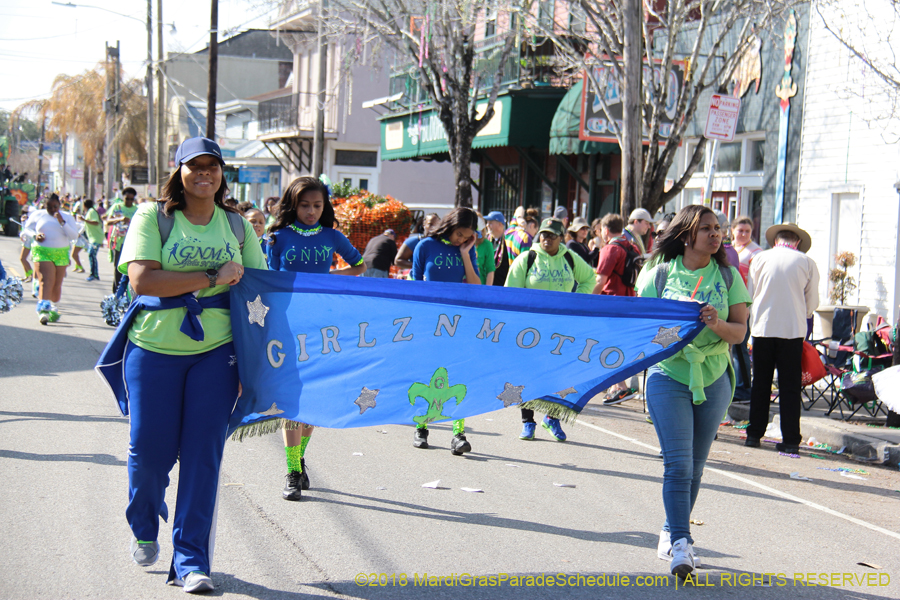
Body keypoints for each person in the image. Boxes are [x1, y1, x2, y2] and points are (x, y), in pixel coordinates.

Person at [107, 137, 265, 593]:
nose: (204, 174)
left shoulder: (236, 226)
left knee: (203, 458)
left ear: (222, 173)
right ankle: (143, 522)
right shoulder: (152, 217)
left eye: (212, 166)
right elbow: (142, 280)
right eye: (194, 166)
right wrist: (213, 276)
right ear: (177, 171)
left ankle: (191, 561)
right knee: (149, 453)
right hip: (153, 349)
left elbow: (259, 288)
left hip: (219, 352)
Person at [637, 205, 751, 578]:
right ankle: (682, 545)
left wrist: (715, 322)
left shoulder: (728, 275)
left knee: (697, 467)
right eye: (706, 229)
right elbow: (640, 328)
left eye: (718, 228)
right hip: (668, 374)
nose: (716, 234)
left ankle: (671, 530)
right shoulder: (658, 275)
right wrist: (674, 322)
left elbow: (739, 334)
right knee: (679, 464)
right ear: (686, 235)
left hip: (715, 376)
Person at [267, 176, 366, 501]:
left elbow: (359, 266)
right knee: (292, 400)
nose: (311, 211)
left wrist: (326, 280)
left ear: (325, 207)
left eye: (317, 205)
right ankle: (293, 471)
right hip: (287, 325)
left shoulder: (332, 236)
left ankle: (299, 460)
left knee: (315, 400)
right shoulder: (276, 237)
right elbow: (266, 279)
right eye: (305, 205)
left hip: (325, 328)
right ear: (293, 205)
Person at [505, 218, 595, 441]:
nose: (546, 239)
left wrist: (574, 302)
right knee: (529, 373)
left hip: (561, 327)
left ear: (562, 237)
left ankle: (552, 418)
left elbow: (589, 279)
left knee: (559, 373)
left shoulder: (569, 257)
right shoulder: (527, 258)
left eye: (552, 235)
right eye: (543, 234)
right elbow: (510, 292)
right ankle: (528, 422)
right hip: (531, 328)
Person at [745, 223, 819, 454]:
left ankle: (754, 434)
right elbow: (813, 301)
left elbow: (750, 295)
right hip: (791, 329)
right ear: (797, 242)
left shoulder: (759, 259)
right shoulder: (806, 262)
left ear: (775, 240)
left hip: (763, 327)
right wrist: (802, 313)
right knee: (789, 386)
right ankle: (790, 440)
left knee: (760, 384)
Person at [411, 207, 480, 455]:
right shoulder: (425, 245)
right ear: (450, 225)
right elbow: (414, 284)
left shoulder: (466, 249)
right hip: (428, 321)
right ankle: (421, 427)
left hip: (458, 321)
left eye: (466, 236)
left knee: (459, 373)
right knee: (427, 371)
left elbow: (475, 286)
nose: (461, 239)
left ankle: (458, 433)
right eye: (459, 234)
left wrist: (464, 254)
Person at [593, 213, 642, 405]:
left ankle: (621, 386)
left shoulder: (610, 249)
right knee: (618, 343)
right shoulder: (633, 246)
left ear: (605, 230)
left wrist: (589, 301)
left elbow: (601, 280)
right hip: (629, 301)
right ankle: (615, 386)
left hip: (611, 303)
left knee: (608, 345)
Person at [23, 194, 79, 324]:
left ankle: (52, 305)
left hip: (61, 253)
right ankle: (43, 310)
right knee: (46, 280)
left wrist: (62, 223)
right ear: (44, 205)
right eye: (49, 207)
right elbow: (26, 229)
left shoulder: (67, 217)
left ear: (59, 205)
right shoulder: (38, 215)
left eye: (55, 206)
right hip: (42, 251)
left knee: (56, 285)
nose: (52, 209)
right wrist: (35, 235)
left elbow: (74, 236)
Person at [107, 187, 139, 293]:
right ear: (123, 198)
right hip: (119, 242)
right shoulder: (117, 207)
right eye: (127, 199)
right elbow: (108, 221)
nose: (129, 201)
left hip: (132, 243)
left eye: (131, 199)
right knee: (118, 269)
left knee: (130, 270)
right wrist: (119, 219)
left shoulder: (136, 209)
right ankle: (116, 294)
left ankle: (127, 294)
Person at [78, 199, 105, 281]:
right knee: (91, 254)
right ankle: (93, 273)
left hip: (96, 237)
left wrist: (84, 220)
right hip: (93, 238)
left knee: (91, 254)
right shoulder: (90, 211)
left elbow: (96, 222)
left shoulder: (91, 212)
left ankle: (94, 274)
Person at [731, 216, 762, 284]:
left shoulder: (756, 252)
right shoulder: (727, 247)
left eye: (747, 231)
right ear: (732, 230)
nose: (744, 234)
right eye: (740, 231)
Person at [484, 211, 509, 286]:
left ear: (500, 225)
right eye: (487, 223)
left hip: (503, 286)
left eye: (490, 223)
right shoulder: (486, 241)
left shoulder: (508, 242)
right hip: (487, 284)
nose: (487, 225)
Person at [474, 215, 496, 286]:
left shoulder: (486, 244)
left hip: (480, 287)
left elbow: (490, 270)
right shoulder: (461, 243)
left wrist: (487, 291)